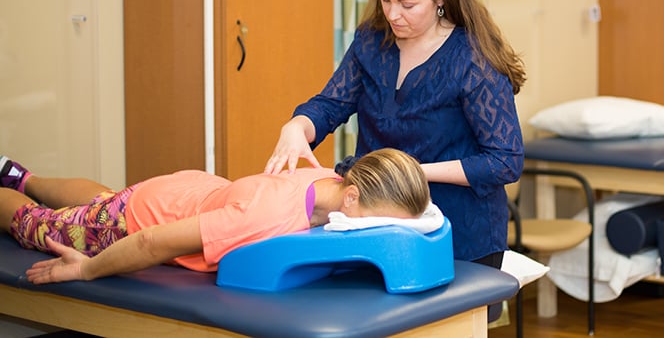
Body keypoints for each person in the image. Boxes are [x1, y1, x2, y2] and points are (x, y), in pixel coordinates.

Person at [265, 0, 525, 276]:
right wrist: (298, 126)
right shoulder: (372, 42)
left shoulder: (473, 61)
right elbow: (330, 105)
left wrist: (412, 172)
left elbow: (504, 161)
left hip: (458, 232)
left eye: (407, 5)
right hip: (375, 224)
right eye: (386, 0)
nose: (392, 14)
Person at [0, 148, 430, 285]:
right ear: (353, 198)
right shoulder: (263, 218)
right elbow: (155, 243)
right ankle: (10, 194)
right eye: (383, 221)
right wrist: (89, 270)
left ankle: (20, 176)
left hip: (186, 191)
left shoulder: (332, 178)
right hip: (140, 222)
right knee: (39, 225)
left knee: (102, 198)